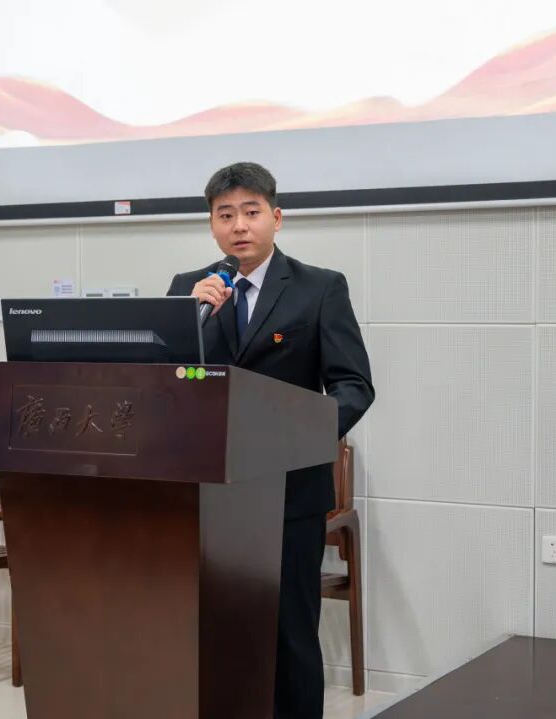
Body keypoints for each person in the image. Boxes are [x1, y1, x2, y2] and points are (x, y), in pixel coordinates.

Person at [167, 162, 374, 719]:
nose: (239, 226)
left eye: (251, 212)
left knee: (289, 633)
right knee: (213, 630)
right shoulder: (191, 291)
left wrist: (297, 438)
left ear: (276, 218)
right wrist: (186, 318)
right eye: (225, 215)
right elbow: (169, 382)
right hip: (208, 493)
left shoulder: (319, 288)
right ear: (212, 225)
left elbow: (354, 386)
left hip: (289, 493)